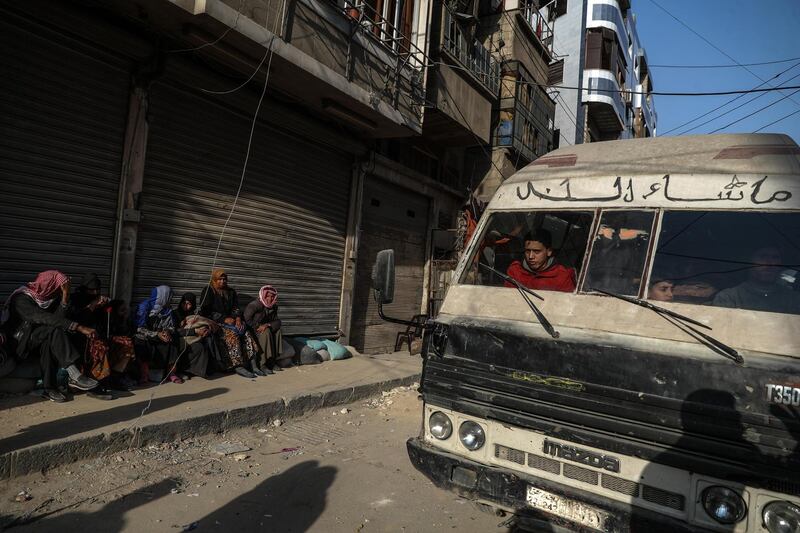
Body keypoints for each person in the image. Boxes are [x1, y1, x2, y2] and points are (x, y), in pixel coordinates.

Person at [2, 270, 98, 402]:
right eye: (59, 289)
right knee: (52, 331)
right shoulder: (21, 299)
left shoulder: (48, 300)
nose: (59, 292)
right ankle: (74, 374)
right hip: (19, 344)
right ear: (49, 287)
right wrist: (78, 327)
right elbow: (44, 318)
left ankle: (49, 388)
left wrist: (65, 297)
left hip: (37, 340)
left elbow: (58, 320)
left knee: (50, 338)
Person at [199, 269, 262, 378]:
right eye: (220, 279)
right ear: (214, 280)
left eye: (224, 279)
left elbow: (236, 307)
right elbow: (205, 311)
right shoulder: (209, 291)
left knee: (245, 332)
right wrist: (223, 319)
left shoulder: (231, 292)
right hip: (216, 323)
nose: (222, 281)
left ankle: (253, 364)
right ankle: (238, 365)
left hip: (232, 321)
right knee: (232, 335)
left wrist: (237, 318)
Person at [713, 246, 800, 315]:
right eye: (762, 257)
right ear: (749, 262)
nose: (769, 263)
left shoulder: (794, 300)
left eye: (775, 257)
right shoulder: (729, 298)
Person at [135, 285, 182, 384]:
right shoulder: (145, 306)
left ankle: (171, 373)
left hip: (160, 335)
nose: (171, 299)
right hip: (146, 336)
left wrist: (167, 332)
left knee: (173, 340)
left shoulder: (168, 309)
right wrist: (157, 334)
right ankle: (144, 374)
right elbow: (139, 328)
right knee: (141, 341)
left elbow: (172, 326)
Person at [505, 229, 576, 292]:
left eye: (537, 251)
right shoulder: (515, 270)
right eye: (528, 251)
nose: (531, 256)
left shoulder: (561, 276)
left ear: (549, 252)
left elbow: (567, 304)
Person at [173, 292, 214, 379]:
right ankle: (181, 370)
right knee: (189, 347)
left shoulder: (195, 316)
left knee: (202, 345)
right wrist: (194, 331)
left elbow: (202, 323)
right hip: (179, 338)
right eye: (184, 303)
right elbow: (175, 331)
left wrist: (205, 331)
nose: (186, 306)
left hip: (193, 338)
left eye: (189, 304)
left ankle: (193, 370)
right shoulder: (175, 314)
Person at [244, 285, 283, 375]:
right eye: (268, 296)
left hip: (264, 328)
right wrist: (258, 327)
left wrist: (267, 325)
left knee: (278, 331)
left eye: (272, 296)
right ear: (263, 295)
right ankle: (262, 364)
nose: (270, 298)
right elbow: (246, 320)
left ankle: (271, 362)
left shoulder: (273, 306)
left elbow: (277, 321)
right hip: (252, 330)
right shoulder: (254, 305)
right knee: (266, 332)